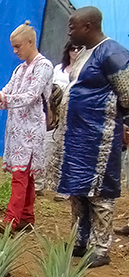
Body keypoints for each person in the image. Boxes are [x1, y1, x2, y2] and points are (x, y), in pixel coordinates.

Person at [52, 7, 129, 268]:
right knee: (78, 190)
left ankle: (101, 247)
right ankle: (80, 240)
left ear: (88, 27)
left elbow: (127, 96)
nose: (69, 32)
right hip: (77, 138)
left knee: (100, 193)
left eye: (72, 27)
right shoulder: (85, 53)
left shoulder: (113, 53)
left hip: (100, 139)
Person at [0, 21, 53, 235]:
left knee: (20, 175)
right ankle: (26, 216)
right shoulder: (21, 68)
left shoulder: (43, 66)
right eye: (13, 47)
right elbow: (8, 89)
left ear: (30, 42)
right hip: (17, 128)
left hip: (30, 129)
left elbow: (31, 96)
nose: (15, 51)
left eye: (18, 46)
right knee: (25, 175)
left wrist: (1, 97)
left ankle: (11, 219)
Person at [37, 41, 81, 199]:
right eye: (72, 48)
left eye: (78, 48)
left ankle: (64, 189)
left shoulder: (85, 70)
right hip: (55, 114)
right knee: (46, 146)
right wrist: (49, 112)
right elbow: (49, 93)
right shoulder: (58, 69)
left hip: (74, 116)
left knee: (68, 151)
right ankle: (38, 183)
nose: (75, 51)